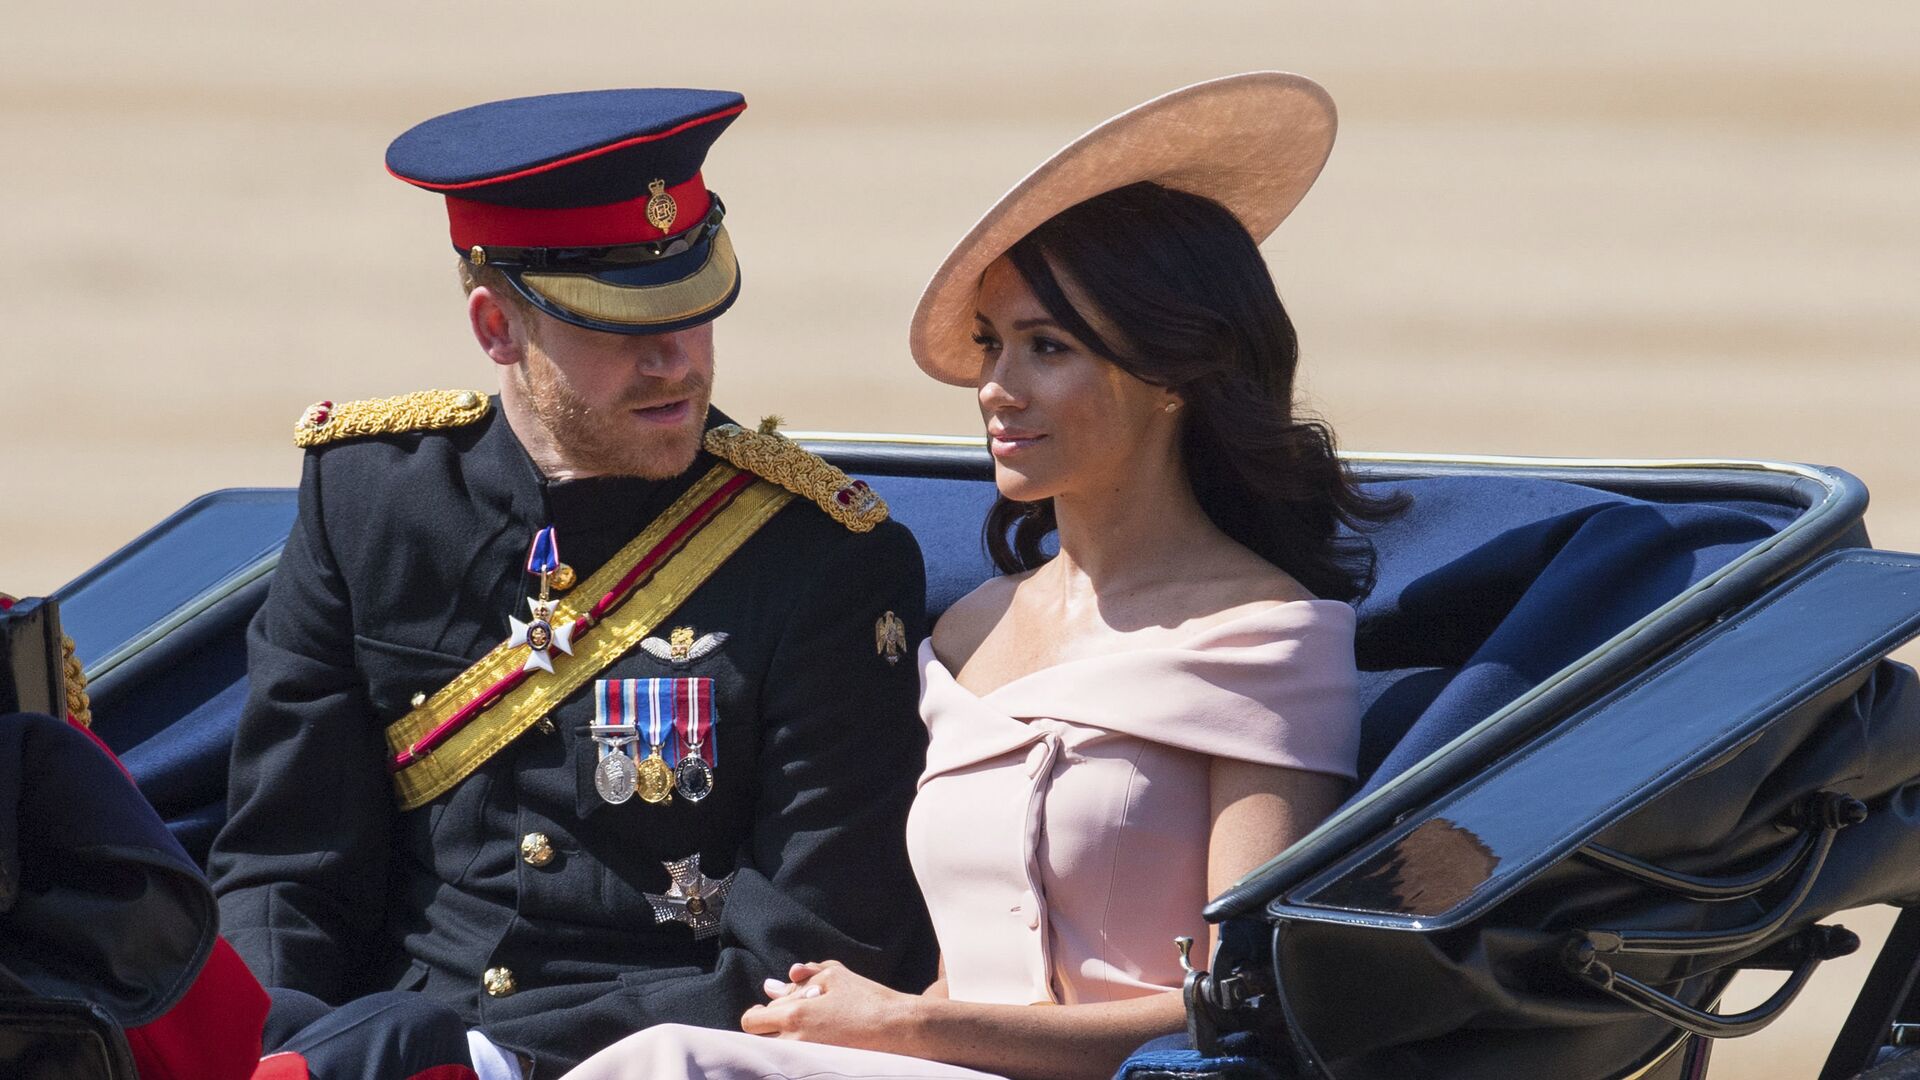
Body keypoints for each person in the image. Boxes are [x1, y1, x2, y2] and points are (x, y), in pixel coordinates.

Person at [561, 71, 1406, 1080]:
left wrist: (908, 1029)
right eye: (993, 344)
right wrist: (867, 1023)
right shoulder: (966, 635)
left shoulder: (1263, 634)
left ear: (1176, 374)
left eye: (1048, 348)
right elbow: (954, 976)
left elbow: (1244, 1007)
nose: (997, 390)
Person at [205, 88, 935, 1079]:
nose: (677, 362)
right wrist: (280, 1047)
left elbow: (815, 946)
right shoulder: (368, 502)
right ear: (495, 327)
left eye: (693, 310)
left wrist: (492, 1060)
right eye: (621, 325)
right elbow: (286, 868)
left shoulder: (824, 558)